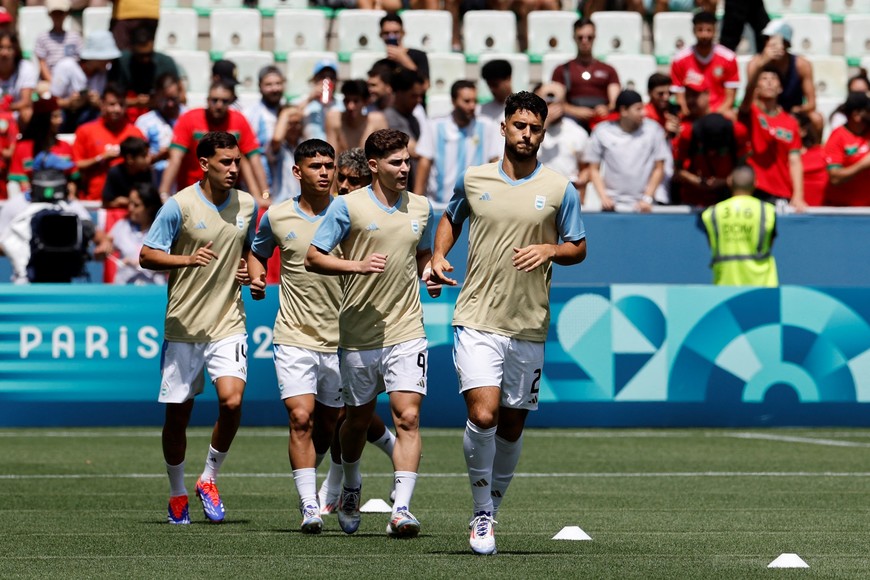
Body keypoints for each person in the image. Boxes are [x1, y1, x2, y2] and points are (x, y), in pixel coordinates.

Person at [428, 91, 586, 556]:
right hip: (476, 317)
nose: (527, 135)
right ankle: (480, 513)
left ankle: (492, 507)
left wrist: (551, 249)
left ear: (543, 131)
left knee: (512, 427)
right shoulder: (474, 178)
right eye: (519, 126)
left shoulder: (560, 188)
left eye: (535, 128)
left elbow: (578, 246)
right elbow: (450, 217)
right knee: (483, 414)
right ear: (503, 127)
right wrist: (438, 255)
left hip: (528, 324)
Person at [305, 128, 439, 538]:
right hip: (358, 332)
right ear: (375, 166)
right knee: (358, 421)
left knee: (409, 418)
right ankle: (350, 483)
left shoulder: (421, 207)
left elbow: (421, 254)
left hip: (406, 328)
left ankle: (401, 510)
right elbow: (314, 257)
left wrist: (430, 272)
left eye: (407, 160)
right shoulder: (347, 208)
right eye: (396, 162)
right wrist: (357, 266)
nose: (405, 168)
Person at [139, 131, 258, 525]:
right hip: (184, 325)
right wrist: (186, 260)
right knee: (178, 416)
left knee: (233, 402)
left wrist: (251, 274)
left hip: (228, 321)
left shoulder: (247, 204)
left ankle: (208, 479)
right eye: (226, 162)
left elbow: (245, 251)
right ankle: (176, 493)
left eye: (237, 161)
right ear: (204, 164)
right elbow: (146, 255)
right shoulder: (179, 206)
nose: (234, 168)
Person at [247, 139, 343, 534]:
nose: (324, 172)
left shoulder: (349, 211)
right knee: (299, 418)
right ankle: (309, 507)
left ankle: (336, 485)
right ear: (297, 172)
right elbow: (257, 252)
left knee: (330, 426)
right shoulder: (277, 215)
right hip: (293, 334)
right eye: (316, 166)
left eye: (328, 165)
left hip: (343, 338)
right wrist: (255, 278)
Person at [159, 80, 269, 206]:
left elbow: (254, 159)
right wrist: (164, 193)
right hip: (192, 193)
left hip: (228, 195)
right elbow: (175, 159)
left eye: (224, 101)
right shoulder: (189, 119)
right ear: (207, 100)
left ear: (231, 101)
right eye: (214, 100)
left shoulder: (239, 120)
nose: (219, 105)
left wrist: (264, 194)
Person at [416, 80, 501, 210]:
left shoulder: (487, 126)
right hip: (439, 205)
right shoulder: (434, 126)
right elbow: (424, 163)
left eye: (475, 101)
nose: (472, 106)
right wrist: (417, 203)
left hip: (476, 207)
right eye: (467, 101)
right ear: (454, 101)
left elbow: (494, 163)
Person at [585, 90, 670, 212]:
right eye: (638, 109)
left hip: (644, 207)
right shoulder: (601, 131)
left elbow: (659, 168)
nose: (644, 113)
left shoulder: (654, 129)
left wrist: (647, 198)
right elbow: (593, 169)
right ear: (624, 110)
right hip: (612, 207)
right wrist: (604, 198)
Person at [738, 62, 805, 212]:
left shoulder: (790, 123)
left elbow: (794, 160)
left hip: (781, 193)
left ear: (780, 88)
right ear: (756, 87)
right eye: (763, 78)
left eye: (773, 78)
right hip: (753, 190)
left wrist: (798, 195)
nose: (769, 81)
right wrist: (762, 61)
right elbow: (746, 99)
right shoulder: (749, 113)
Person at [701, 165, 777, 287]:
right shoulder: (767, 211)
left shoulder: (713, 213)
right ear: (755, 183)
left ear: (730, 181)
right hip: (762, 287)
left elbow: (712, 244)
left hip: (724, 285)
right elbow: (770, 243)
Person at [72, 83, 145, 202]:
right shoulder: (85, 131)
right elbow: (76, 165)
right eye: (112, 104)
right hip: (93, 202)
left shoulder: (135, 132)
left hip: (128, 205)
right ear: (102, 105)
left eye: (121, 105)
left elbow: (144, 165)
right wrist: (101, 158)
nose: (117, 109)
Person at [746, 20, 821, 133]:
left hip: (792, 112)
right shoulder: (755, 64)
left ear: (786, 44)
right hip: (764, 112)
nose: (769, 44)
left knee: (816, 119)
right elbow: (750, 99)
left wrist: (798, 110)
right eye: (767, 39)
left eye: (774, 41)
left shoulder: (801, 65)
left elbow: (812, 103)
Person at [551, 19, 620, 131]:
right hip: (571, 121)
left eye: (589, 37)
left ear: (595, 37)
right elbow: (557, 102)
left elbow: (615, 102)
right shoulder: (562, 70)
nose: (585, 41)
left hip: (602, 121)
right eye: (580, 37)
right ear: (574, 38)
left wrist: (605, 109)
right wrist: (575, 111)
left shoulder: (609, 70)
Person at [670, 11, 739, 119]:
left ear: (715, 31)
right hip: (691, 115)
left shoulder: (728, 58)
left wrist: (713, 116)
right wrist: (687, 114)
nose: (704, 35)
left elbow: (730, 98)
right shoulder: (679, 59)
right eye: (700, 30)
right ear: (693, 31)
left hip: (719, 114)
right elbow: (679, 96)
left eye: (709, 30)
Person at [51, 30, 121, 132]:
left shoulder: (104, 73)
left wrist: (98, 103)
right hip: (66, 115)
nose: (109, 61)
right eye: (106, 58)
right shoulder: (66, 66)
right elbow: (52, 101)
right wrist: (68, 102)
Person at [108, 25, 181, 123]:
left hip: (162, 116)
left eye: (149, 54)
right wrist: (135, 102)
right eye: (141, 55)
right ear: (132, 48)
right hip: (126, 116)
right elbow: (110, 98)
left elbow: (182, 96)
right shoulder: (121, 63)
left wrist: (159, 100)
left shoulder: (166, 63)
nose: (145, 59)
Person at [8, 96, 75, 195]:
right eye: (55, 117)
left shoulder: (65, 146)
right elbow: (20, 182)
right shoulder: (23, 148)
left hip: (61, 201)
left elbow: (72, 180)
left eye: (60, 116)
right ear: (43, 119)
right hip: (31, 201)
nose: (60, 121)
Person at [534, 82, 589, 193]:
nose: (551, 108)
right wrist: (545, 122)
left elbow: (586, 168)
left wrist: (581, 183)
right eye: (546, 104)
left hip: (567, 193)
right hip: (538, 192)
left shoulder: (577, 132)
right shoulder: (529, 129)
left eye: (554, 103)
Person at [109, 182, 167, 285]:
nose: (130, 208)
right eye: (129, 203)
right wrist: (103, 248)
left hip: (154, 292)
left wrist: (139, 264)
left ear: (150, 208)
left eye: (136, 205)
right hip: (124, 291)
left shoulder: (164, 231)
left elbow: (174, 266)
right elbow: (106, 245)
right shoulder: (122, 226)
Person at [135, 74, 185, 188]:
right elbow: (137, 163)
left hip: (186, 187)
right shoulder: (144, 122)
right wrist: (160, 156)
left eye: (173, 98)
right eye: (165, 99)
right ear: (156, 96)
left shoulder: (190, 117)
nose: (170, 104)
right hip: (155, 187)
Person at [824, 92, 870, 207]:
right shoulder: (837, 137)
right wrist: (863, 164)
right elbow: (835, 177)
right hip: (844, 211)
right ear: (856, 115)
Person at [325, 79, 388, 156]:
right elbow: (331, 157)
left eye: (356, 101)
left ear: (366, 102)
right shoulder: (334, 118)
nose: (350, 106)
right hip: (341, 167)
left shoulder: (377, 120)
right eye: (347, 101)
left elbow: (384, 155)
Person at [244, 65, 285, 183]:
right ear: (260, 86)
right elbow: (247, 155)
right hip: (263, 183)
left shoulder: (287, 110)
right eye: (269, 84)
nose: (275, 88)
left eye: (278, 83)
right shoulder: (251, 114)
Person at [33, 0, 82, 82]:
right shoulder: (42, 37)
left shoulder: (75, 37)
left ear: (66, 14)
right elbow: (42, 64)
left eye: (60, 13)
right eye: (55, 13)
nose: (58, 17)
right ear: (49, 14)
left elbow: (81, 61)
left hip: (72, 80)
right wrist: (53, 83)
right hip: (50, 80)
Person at [379, 13, 429, 91]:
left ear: (403, 33)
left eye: (396, 32)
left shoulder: (419, 56)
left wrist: (404, 60)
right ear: (380, 35)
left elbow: (425, 86)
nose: (391, 37)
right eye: (387, 33)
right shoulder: (381, 64)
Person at [102, 136, 152, 209]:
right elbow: (107, 203)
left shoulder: (146, 172)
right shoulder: (115, 173)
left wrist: (128, 201)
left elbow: (149, 201)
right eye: (144, 156)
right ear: (130, 159)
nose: (149, 159)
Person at [0, 31, 38, 126]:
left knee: (27, 113)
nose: (4, 53)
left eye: (9, 48)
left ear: (16, 51)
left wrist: (5, 108)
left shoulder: (26, 67)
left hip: (15, 113)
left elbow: (26, 102)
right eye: (1, 48)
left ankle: (25, 140)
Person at [796, 112, 826, 207]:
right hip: (791, 213)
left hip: (823, 213)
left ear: (803, 130)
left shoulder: (823, 153)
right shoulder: (778, 158)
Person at [479, 59, 513, 127]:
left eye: (495, 85)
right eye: (489, 85)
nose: (492, 89)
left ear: (508, 79)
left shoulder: (524, 109)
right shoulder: (480, 111)